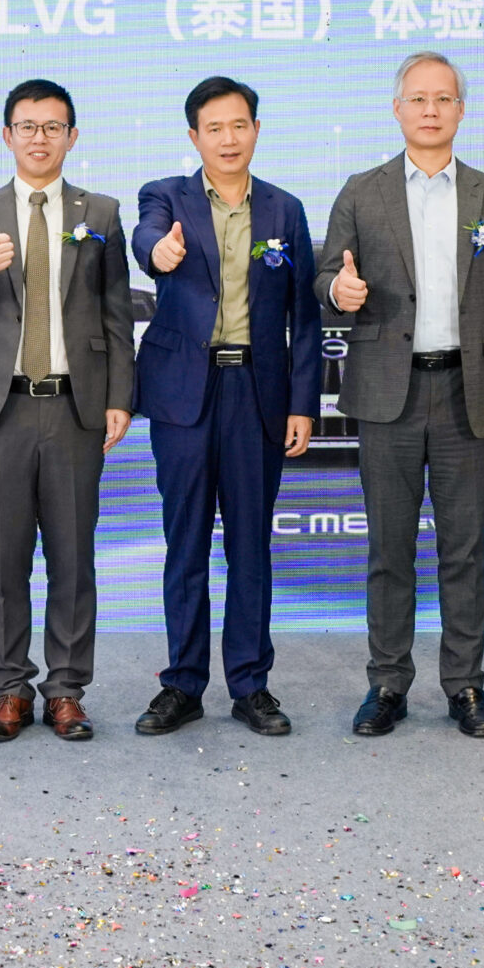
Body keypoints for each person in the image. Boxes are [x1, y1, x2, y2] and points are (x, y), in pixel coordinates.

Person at [317, 52, 484, 740]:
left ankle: (466, 684)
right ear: (397, 108)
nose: (431, 109)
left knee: (464, 550)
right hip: (390, 394)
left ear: (462, 110)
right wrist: (338, 291)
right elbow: (325, 278)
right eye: (418, 98)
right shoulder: (362, 191)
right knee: (390, 548)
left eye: (444, 98)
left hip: (470, 393)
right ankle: (387, 682)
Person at [0, 79, 135, 744]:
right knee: (4, 558)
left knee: (73, 557)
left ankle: (67, 690)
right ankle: (9, 688)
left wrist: (119, 395)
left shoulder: (100, 211)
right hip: (1, 407)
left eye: (53, 126)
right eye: (27, 126)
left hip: (76, 405)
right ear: (7, 135)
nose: (39, 137)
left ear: (72, 136)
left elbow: (116, 312)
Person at [130, 76, 322, 738]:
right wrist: (158, 251)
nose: (228, 138)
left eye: (239, 125)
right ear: (195, 136)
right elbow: (146, 238)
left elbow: (303, 314)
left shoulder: (284, 209)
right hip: (184, 394)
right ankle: (182, 683)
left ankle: (250, 683)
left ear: (256, 130)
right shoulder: (166, 196)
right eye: (214, 128)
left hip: (257, 394)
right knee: (185, 543)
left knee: (250, 546)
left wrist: (303, 404)